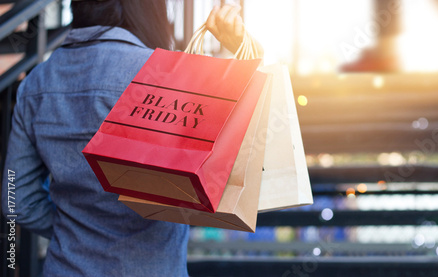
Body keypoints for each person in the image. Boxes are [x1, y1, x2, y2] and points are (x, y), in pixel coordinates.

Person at [1, 1, 252, 276]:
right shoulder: (167, 74)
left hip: (66, 267)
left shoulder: (36, 82)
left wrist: (72, 230)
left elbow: (16, 201)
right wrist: (243, 52)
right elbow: (228, 169)